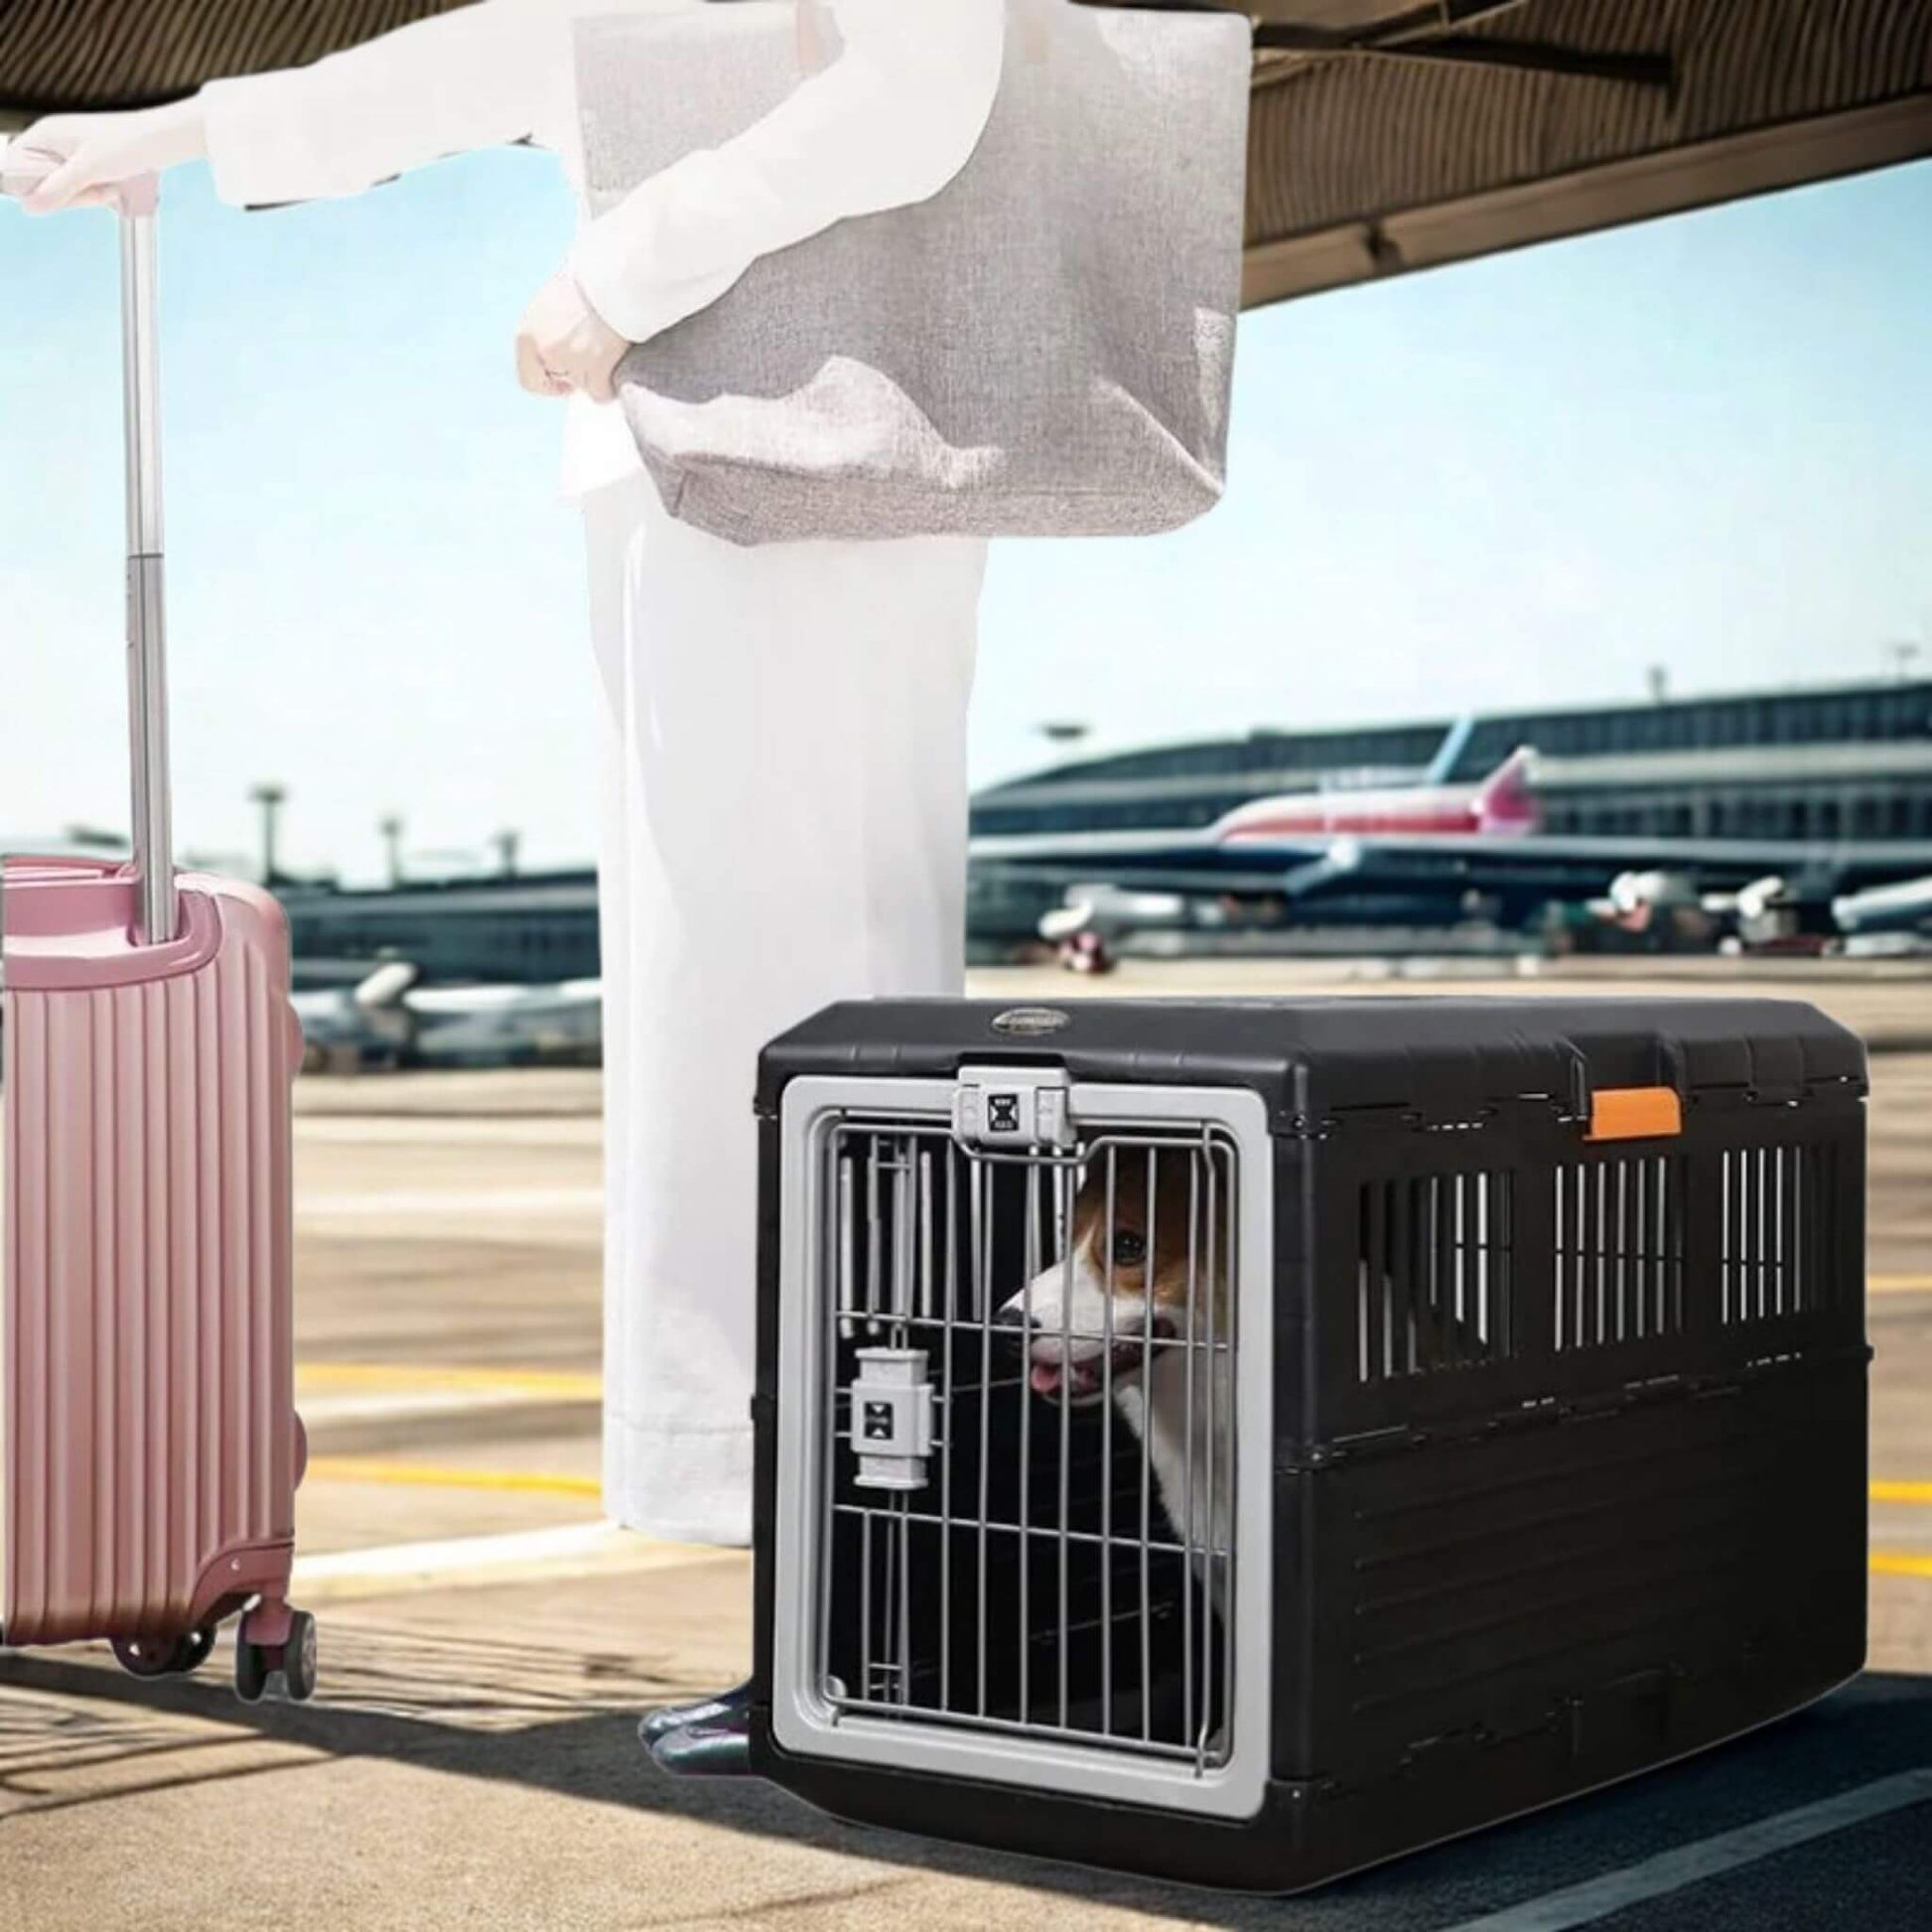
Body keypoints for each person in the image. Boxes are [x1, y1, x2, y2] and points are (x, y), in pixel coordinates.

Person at [7, 0, 1008, 1774]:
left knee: (805, 1014)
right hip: (710, 464)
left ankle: (897, 1614)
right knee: (740, 1038)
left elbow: (921, 91)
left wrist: (622, 270)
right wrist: (156, 141)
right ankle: (855, 1612)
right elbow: (486, 60)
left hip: (787, 456)